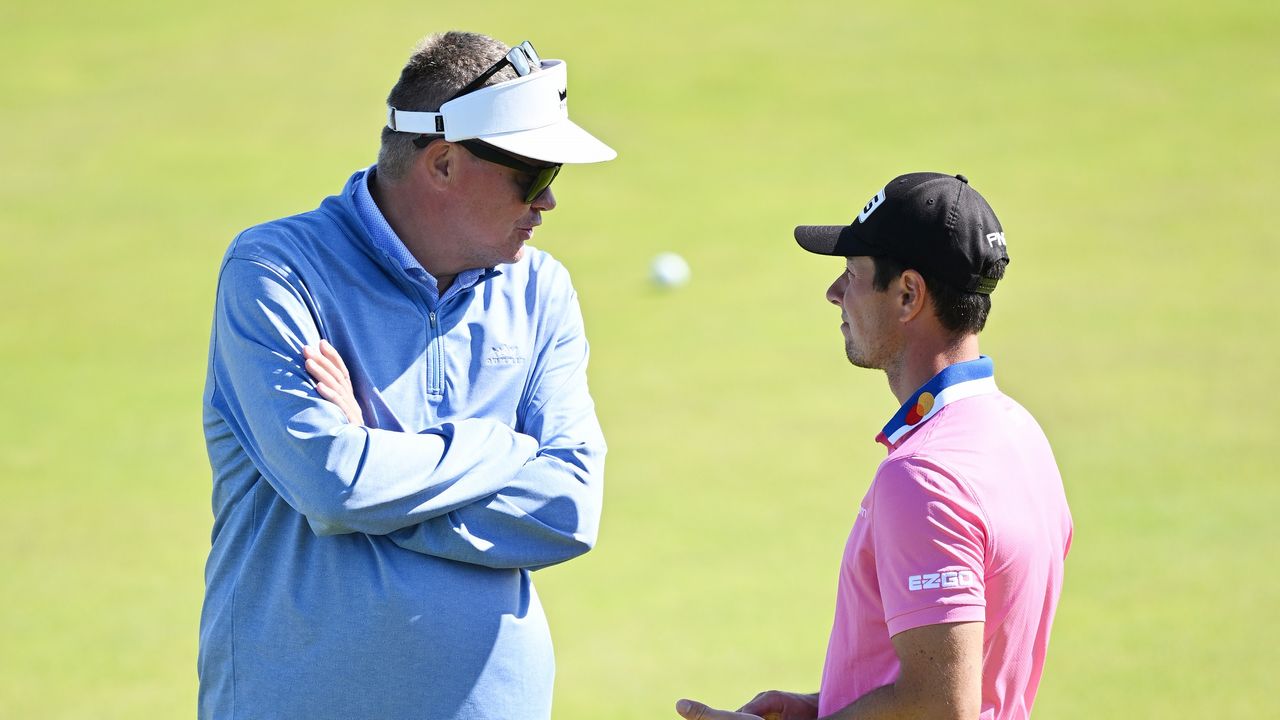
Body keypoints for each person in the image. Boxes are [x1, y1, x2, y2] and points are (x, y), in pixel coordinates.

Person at [198, 31, 615, 720]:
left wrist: (374, 454)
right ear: (444, 163)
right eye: (534, 176)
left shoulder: (540, 290)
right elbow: (333, 486)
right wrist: (501, 447)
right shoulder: (275, 271)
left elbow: (568, 508)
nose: (547, 204)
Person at [676, 173, 1073, 720]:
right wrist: (828, 706)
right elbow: (964, 680)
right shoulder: (1020, 434)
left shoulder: (924, 476)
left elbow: (940, 705)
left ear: (908, 294)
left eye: (852, 274)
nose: (834, 293)